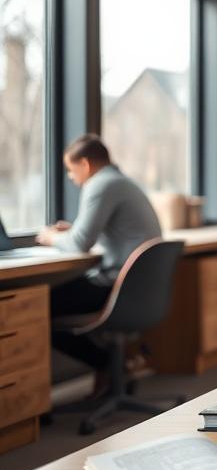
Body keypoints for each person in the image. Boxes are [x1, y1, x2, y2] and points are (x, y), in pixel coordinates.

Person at [37, 134, 162, 370]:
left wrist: (51, 237)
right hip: (138, 286)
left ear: (84, 164)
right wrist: (73, 231)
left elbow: (79, 244)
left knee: (38, 309)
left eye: (71, 170)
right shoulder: (120, 182)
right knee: (45, 306)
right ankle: (115, 368)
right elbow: (100, 232)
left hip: (117, 285)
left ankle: (111, 366)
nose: (70, 177)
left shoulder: (100, 184)